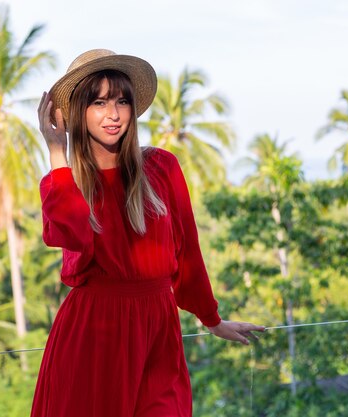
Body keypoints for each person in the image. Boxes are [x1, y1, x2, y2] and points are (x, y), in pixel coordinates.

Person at [31, 49, 265, 417]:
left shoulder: (161, 166)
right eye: (99, 102)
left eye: (122, 100)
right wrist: (57, 150)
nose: (114, 114)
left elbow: (188, 254)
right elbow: (72, 234)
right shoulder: (64, 183)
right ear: (77, 111)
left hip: (157, 327)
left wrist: (212, 319)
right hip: (97, 332)